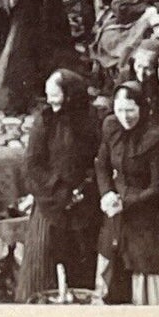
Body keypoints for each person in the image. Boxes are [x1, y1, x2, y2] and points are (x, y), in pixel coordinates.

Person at [16, 69, 101, 301]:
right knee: (46, 263)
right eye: (49, 98)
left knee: (82, 259)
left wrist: (84, 188)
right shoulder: (44, 122)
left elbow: (100, 158)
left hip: (84, 204)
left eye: (56, 98)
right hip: (51, 204)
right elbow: (32, 165)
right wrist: (61, 192)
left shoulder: (91, 120)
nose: (51, 104)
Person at [94, 82, 159, 306]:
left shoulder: (158, 138)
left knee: (145, 266)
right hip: (117, 211)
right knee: (113, 261)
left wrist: (126, 203)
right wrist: (106, 193)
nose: (125, 116)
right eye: (120, 109)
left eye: (130, 110)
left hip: (150, 216)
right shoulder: (111, 127)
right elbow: (101, 164)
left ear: (142, 108)